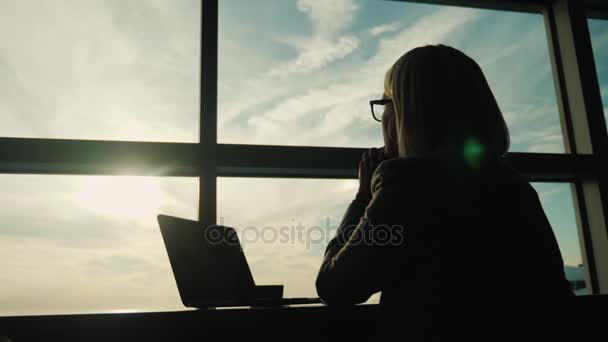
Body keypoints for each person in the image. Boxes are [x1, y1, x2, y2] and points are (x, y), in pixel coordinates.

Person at [315, 45, 576, 340]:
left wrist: (363, 197)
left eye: (387, 102)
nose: (384, 115)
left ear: (406, 111)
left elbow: (335, 287)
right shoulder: (511, 184)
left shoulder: (408, 185)